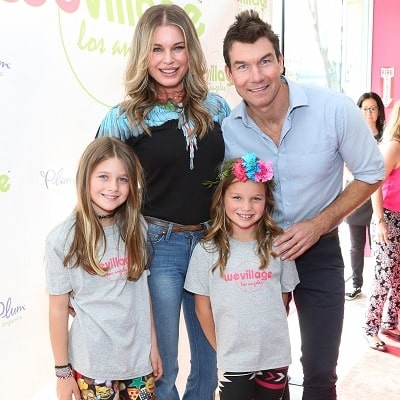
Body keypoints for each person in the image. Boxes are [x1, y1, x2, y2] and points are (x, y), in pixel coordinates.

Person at [221, 10, 384, 400]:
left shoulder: (334, 109)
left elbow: (371, 171)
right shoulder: (229, 130)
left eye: (264, 61)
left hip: (321, 251)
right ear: (229, 74)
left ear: (280, 61)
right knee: (265, 372)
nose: (256, 76)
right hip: (261, 256)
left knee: (320, 372)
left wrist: (317, 223)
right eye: (242, 66)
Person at [96, 4, 231, 399]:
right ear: (143, 54)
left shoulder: (216, 109)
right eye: (157, 49)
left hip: (211, 244)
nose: (168, 59)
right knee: (161, 366)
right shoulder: (125, 118)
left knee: (210, 364)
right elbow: (99, 189)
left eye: (178, 47)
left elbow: (231, 180)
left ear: (191, 51)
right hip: (159, 247)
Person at [45, 137, 162, 400]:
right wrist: (62, 373)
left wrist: (153, 346)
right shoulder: (62, 239)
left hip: (138, 363)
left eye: (123, 179)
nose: (113, 187)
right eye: (104, 177)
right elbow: (58, 308)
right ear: (85, 177)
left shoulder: (137, 229)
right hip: (92, 366)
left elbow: (143, 295)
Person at [184, 153, 299, 400]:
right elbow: (202, 308)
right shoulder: (206, 250)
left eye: (255, 198)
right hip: (233, 360)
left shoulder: (280, 245)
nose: (246, 207)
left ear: (266, 201)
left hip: (274, 357)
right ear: (222, 199)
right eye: (237, 197)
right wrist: (222, 349)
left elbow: (284, 297)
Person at [364, 99, 400, 351]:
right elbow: (374, 182)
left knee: (397, 276)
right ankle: (370, 327)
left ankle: (390, 321)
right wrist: (379, 220)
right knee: (384, 275)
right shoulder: (394, 146)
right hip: (387, 217)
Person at [344, 92, 386, 300]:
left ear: (379, 111)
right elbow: (346, 164)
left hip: (382, 199)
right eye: (365, 109)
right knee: (355, 245)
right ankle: (356, 284)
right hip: (358, 196)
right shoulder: (353, 135)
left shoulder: (387, 136)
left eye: (373, 108)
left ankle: (380, 287)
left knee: (382, 246)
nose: (369, 113)